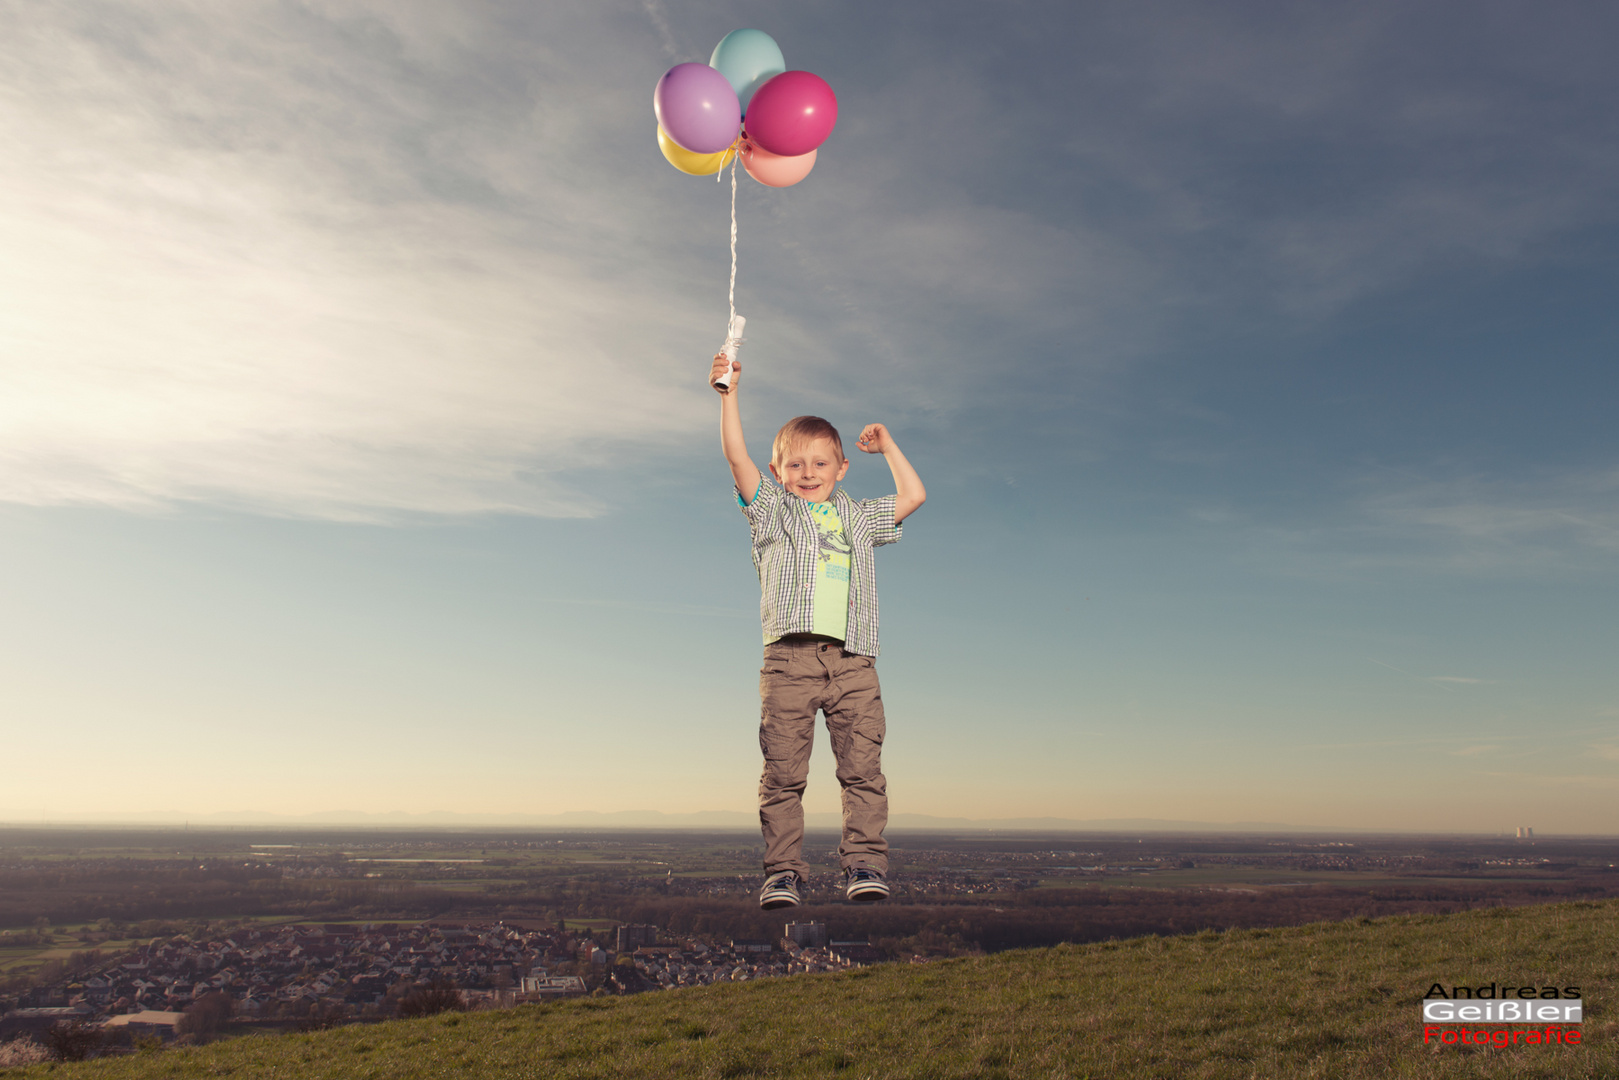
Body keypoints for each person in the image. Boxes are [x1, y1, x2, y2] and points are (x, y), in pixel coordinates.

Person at [710, 350, 926, 910]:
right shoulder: (773, 513)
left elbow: (914, 497)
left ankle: (864, 864)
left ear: (841, 469)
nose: (808, 474)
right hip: (789, 662)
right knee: (783, 773)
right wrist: (729, 393)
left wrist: (889, 446)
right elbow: (736, 458)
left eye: (820, 464)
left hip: (855, 661)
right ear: (779, 472)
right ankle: (783, 873)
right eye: (795, 465)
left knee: (863, 770)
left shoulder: (857, 517)